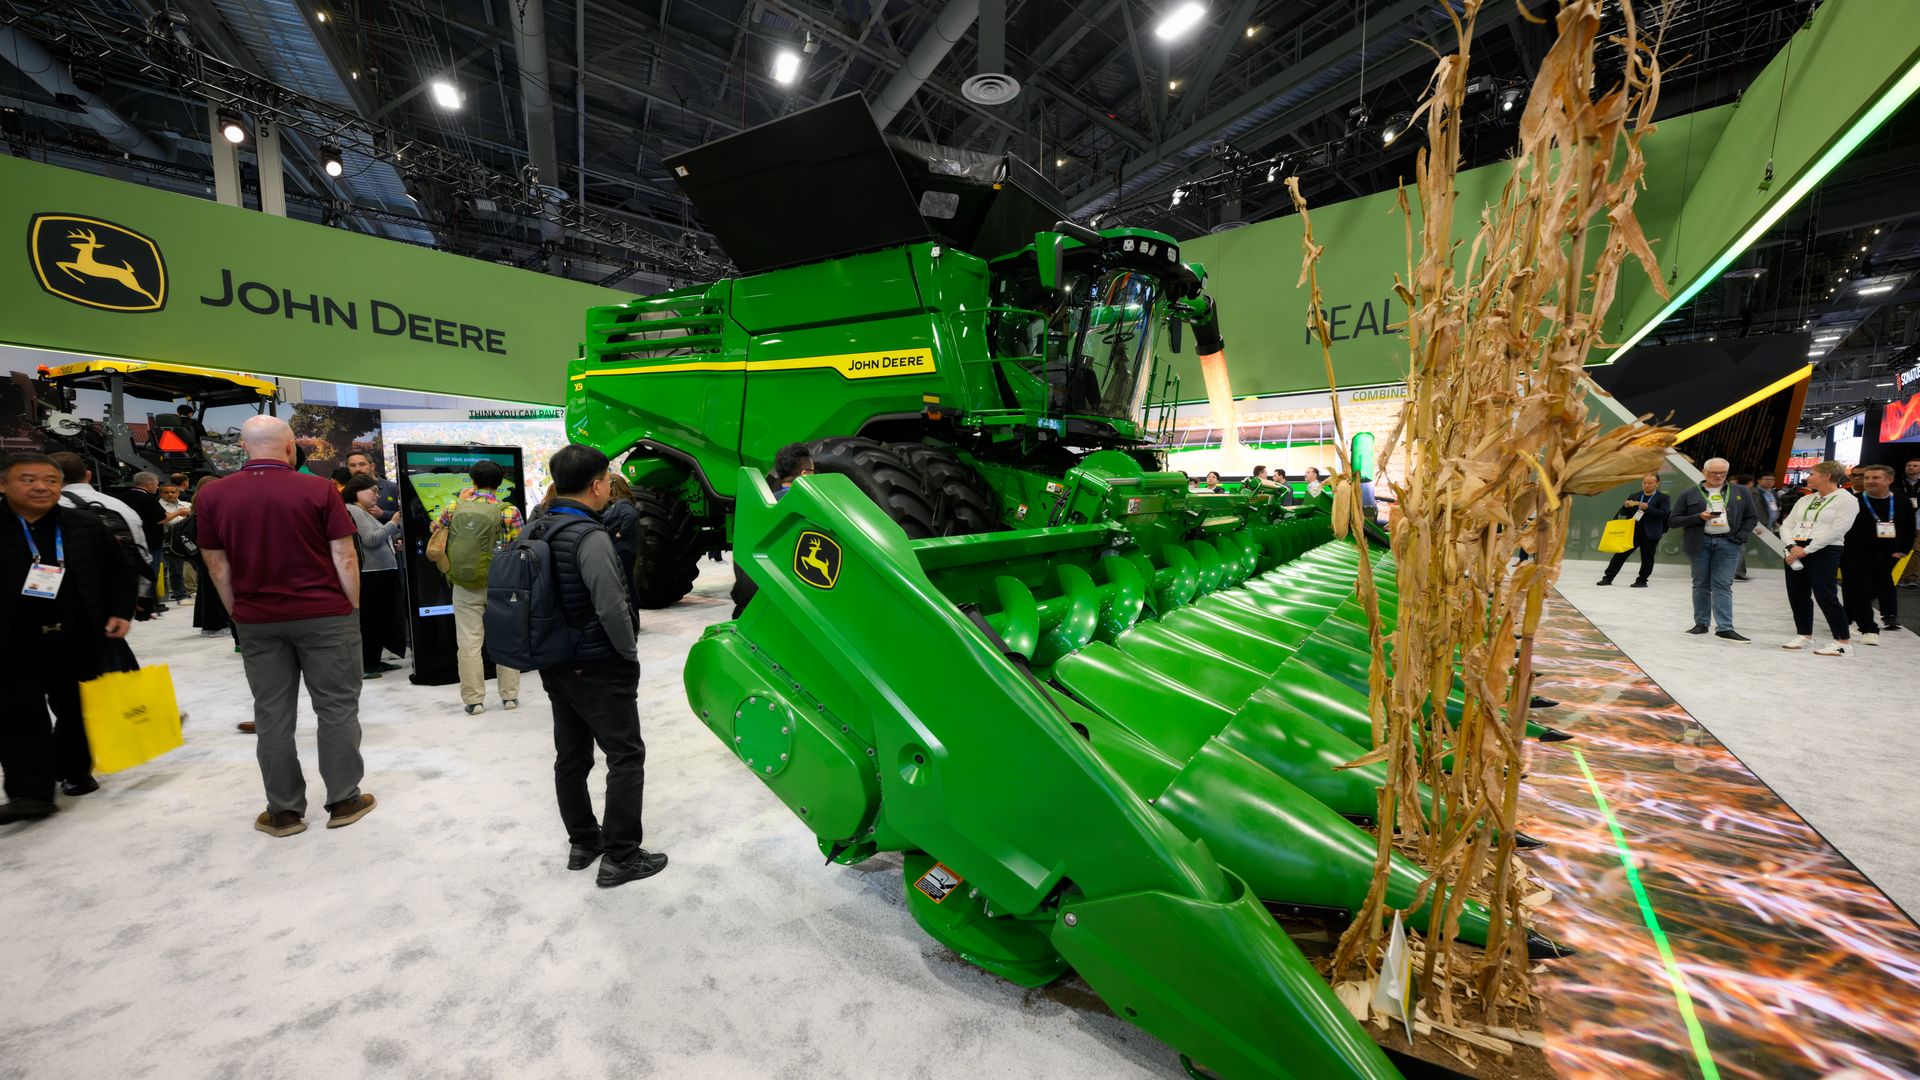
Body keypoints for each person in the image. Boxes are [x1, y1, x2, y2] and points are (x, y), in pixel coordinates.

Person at [196, 416, 375, 837]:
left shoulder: (213, 495)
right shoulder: (318, 489)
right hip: (326, 615)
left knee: (272, 714)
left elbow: (216, 566)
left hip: (258, 620)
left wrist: (238, 612)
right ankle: (345, 800)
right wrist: (350, 607)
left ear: (243, 447)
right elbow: (344, 556)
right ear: (291, 447)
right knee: (336, 708)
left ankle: (284, 811)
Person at [534, 444, 665, 888]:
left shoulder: (536, 528)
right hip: (599, 664)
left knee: (571, 757)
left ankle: (583, 842)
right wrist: (628, 653)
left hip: (555, 662)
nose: (610, 485)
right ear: (596, 485)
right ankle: (622, 857)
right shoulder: (590, 536)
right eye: (608, 479)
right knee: (625, 756)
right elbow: (611, 604)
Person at [0, 453, 136, 821]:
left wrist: (121, 611)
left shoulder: (84, 524)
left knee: (78, 710)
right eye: (27, 479)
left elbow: (118, 572)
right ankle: (31, 793)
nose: (41, 487)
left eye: (50, 480)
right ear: (3, 485)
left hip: (79, 635)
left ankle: (75, 771)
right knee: (19, 717)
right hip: (13, 643)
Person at [432, 459, 524, 715]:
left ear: (472, 480)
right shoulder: (509, 511)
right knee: (505, 637)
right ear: (500, 482)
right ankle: (510, 697)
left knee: (469, 641)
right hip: (501, 584)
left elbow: (435, 530)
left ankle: (474, 701)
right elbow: (519, 545)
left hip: (464, 584)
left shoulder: (454, 506)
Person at [1667, 457, 1756, 640]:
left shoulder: (1740, 492)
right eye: (1713, 472)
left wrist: (1741, 536)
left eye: (1722, 473)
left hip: (1728, 543)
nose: (1718, 476)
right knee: (1700, 584)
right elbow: (1673, 520)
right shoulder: (1689, 493)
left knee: (1723, 584)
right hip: (1699, 543)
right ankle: (1701, 623)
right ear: (1703, 472)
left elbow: (1752, 517)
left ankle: (1724, 627)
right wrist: (1698, 517)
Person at [1777, 460, 1860, 656]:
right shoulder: (1806, 499)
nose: (1808, 477)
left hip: (1824, 550)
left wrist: (1808, 549)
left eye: (1812, 473)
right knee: (1797, 594)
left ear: (1827, 476)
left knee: (1825, 595)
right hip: (1796, 547)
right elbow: (1786, 525)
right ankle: (1804, 635)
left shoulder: (1846, 499)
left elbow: (1838, 530)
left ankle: (1843, 642)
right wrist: (1792, 546)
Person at [731, 444, 813, 618]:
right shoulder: (806, 509)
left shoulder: (762, 505)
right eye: (814, 471)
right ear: (805, 474)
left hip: (751, 598)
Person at [1841, 464, 1914, 644]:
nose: (1869, 481)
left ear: (1889, 480)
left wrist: (1902, 550)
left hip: (1888, 556)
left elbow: (1909, 528)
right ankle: (1868, 628)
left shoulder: (1902, 502)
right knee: (1860, 590)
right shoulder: (1854, 501)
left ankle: (1848, 618)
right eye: (1867, 478)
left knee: (1870, 589)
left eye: (1875, 478)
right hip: (1854, 554)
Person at [343, 476, 406, 678]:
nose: (376, 495)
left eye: (378, 492)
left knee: (379, 620)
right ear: (357, 491)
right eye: (372, 491)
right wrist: (393, 523)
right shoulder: (353, 510)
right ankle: (367, 664)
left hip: (380, 572)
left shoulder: (362, 512)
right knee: (372, 621)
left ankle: (374, 661)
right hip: (372, 575)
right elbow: (370, 539)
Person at [1597, 473, 1670, 587]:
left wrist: (1648, 508)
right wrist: (1625, 506)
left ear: (1657, 484)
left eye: (1650, 483)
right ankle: (1608, 578)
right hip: (1632, 532)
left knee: (1647, 558)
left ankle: (1642, 580)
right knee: (1620, 555)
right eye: (1644, 483)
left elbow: (1664, 514)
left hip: (1651, 533)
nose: (1646, 485)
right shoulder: (1635, 495)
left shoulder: (1663, 498)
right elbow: (1623, 513)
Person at [604, 475, 642, 591]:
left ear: (613, 486)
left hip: (623, 550)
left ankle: (632, 609)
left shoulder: (622, 503)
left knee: (627, 584)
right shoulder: (618, 504)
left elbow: (630, 516)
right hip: (622, 549)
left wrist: (621, 533)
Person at [157, 481, 193, 601]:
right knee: (175, 569)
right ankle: (179, 593)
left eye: (173, 492)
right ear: (161, 493)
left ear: (178, 492)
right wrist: (183, 515)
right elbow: (170, 521)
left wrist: (177, 516)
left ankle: (189, 590)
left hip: (188, 540)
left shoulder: (186, 503)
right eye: (166, 492)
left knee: (192, 567)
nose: (170, 494)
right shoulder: (158, 506)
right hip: (169, 541)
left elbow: (194, 517)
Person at [344, 450, 400, 522]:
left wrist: (383, 514)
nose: (357, 469)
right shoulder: (346, 491)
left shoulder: (393, 488)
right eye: (352, 465)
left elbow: (407, 514)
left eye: (362, 464)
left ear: (372, 466)